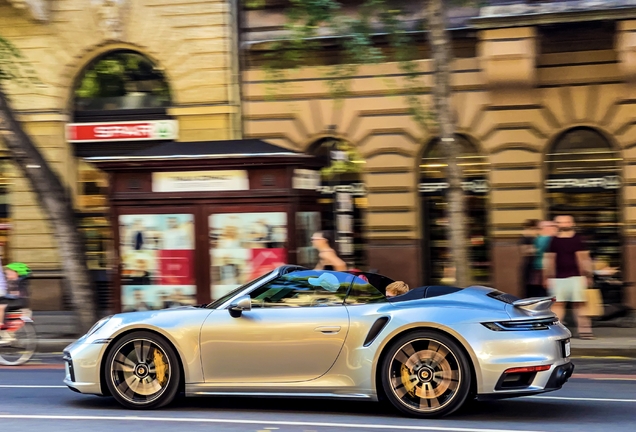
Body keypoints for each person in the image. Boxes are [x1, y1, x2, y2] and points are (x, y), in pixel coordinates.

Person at [543, 215, 594, 339]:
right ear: (557, 224)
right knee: (558, 305)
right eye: (560, 222)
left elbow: (584, 258)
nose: (564, 224)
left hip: (576, 277)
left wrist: (587, 274)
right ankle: (556, 331)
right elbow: (549, 259)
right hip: (557, 278)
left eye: (566, 222)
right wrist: (547, 276)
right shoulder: (553, 240)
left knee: (580, 304)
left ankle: (585, 331)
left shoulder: (578, 239)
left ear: (572, 223)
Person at [530, 220, 557, 297]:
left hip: (540, 267)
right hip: (545, 269)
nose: (555, 228)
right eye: (552, 226)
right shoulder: (547, 239)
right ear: (545, 228)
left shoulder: (538, 238)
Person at [519, 219, 539, 298]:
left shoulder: (536, 238)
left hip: (534, 266)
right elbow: (524, 251)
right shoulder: (525, 238)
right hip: (530, 266)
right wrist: (538, 249)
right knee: (530, 288)